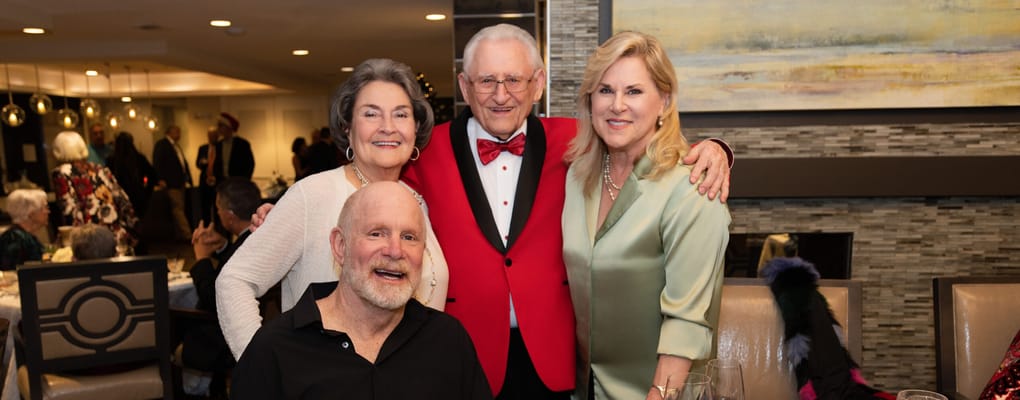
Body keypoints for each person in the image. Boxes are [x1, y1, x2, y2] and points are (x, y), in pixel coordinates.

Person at [401, 24, 731, 399]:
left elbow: (645, 141)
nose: (501, 95)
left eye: (514, 80)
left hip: (556, 364)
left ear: (538, 83)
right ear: (464, 86)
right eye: (487, 81)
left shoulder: (573, 144)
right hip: (467, 358)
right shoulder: (424, 152)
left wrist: (715, 150)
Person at [217, 58, 450, 360]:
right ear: (347, 126)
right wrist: (265, 369)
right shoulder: (313, 195)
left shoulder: (416, 202)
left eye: (401, 114)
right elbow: (234, 280)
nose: (388, 127)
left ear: (415, 128)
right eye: (371, 114)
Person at [561, 31, 731, 399]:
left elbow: (687, 321)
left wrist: (659, 394)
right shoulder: (577, 178)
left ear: (664, 101)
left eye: (634, 91)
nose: (617, 105)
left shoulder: (692, 189)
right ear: (589, 100)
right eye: (605, 90)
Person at [231, 181, 491, 400]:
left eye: (409, 237)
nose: (395, 250)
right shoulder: (274, 350)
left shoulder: (448, 341)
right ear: (340, 246)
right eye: (377, 233)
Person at [181, 178, 262, 397]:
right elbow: (234, 262)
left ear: (230, 216)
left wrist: (201, 259)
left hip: (222, 336)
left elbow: (214, 297)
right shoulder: (257, 238)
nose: (217, 213)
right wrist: (223, 245)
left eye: (218, 209)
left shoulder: (244, 248)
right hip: (257, 326)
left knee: (175, 321)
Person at [51, 131, 138, 252]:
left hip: (90, 241)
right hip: (115, 235)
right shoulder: (100, 169)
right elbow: (124, 201)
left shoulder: (61, 173)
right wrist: (130, 231)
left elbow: (70, 211)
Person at [152, 125, 194, 241]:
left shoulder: (176, 146)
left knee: (179, 208)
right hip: (171, 183)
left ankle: (180, 235)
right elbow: (157, 162)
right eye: (177, 131)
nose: (179, 134)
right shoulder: (162, 145)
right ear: (170, 132)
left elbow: (182, 163)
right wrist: (160, 179)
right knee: (178, 209)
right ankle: (187, 234)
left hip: (180, 182)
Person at [106, 132, 157, 216]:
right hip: (139, 197)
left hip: (120, 199)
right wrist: (146, 190)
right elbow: (152, 176)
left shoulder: (111, 161)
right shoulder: (139, 158)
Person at [0, 189, 49, 269]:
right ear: (31, 214)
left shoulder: (23, 236)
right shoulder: (15, 239)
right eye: (45, 208)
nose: (48, 212)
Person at [214, 112, 255, 180]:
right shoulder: (218, 145)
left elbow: (250, 164)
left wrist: (245, 180)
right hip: (222, 182)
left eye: (221, 126)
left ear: (229, 127)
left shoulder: (242, 144)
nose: (218, 128)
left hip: (238, 181)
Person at [197, 125, 222, 223]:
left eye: (214, 135)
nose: (212, 138)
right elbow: (197, 163)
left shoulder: (221, 147)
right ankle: (206, 226)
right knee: (205, 207)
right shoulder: (202, 148)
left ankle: (218, 227)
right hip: (205, 182)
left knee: (218, 207)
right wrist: (202, 163)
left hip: (218, 182)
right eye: (210, 136)